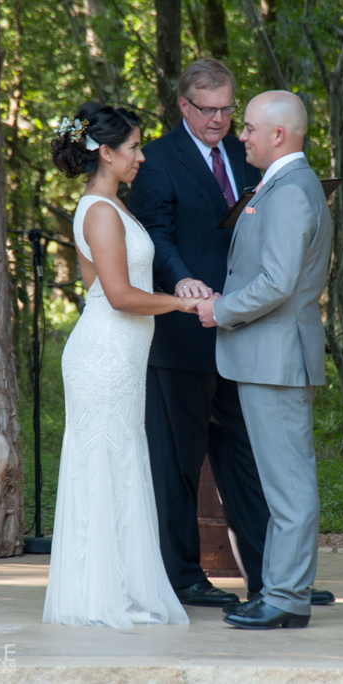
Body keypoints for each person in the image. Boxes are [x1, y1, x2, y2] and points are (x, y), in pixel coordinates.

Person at [43, 102, 199, 629]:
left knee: (121, 467)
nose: (142, 155)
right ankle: (97, 597)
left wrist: (179, 288)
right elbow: (118, 295)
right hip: (104, 355)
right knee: (103, 467)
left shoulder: (115, 206)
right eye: (133, 147)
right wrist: (181, 304)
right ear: (105, 153)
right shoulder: (101, 210)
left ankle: (117, 589)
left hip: (123, 357)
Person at [128, 58, 270, 608]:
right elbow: (154, 235)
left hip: (241, 331)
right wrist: (182, 277)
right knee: (178, 464)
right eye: (207, 110)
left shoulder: (245, 152)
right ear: (184, 107)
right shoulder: (156, 160)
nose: (219, 120)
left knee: (246, 461)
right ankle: (182, 577)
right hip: (181, 334)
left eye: (227, 109)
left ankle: (271, 580)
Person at [197, 91, 332, 630]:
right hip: (264, 359)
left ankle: (287, 598)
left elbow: (278, 282)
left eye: (249, 127)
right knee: (281, 484)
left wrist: (221, 311)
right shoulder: (280, 186)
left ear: (279, 135)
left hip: (275, 360)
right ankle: (279, 590)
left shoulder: (291, 192)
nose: (240, 135)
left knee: (288, 485)